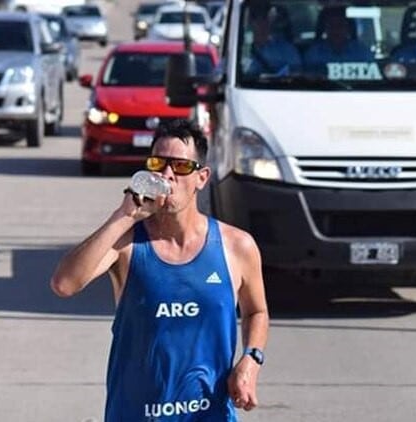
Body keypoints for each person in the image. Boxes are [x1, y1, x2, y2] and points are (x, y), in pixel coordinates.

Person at [50, 118, 270, 421]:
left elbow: (256, 311)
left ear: (202, 178)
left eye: (180, 166)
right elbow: (64, 284)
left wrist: (251, 359)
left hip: (209, 414)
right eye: (158, 164)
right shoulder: (127, 244)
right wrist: (123, 216)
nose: (167, 175)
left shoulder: (236, 246)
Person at [303, 6, 373, 70]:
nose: (335, 30)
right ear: (324, 28)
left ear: (348, 27)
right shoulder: (313, 54)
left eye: (340, 25)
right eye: (331, 25)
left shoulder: (363, 53)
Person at [244, 1, 302, 76]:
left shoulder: (286, 50)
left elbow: (298, 75)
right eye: (255, 17)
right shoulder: (239, 49)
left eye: (265, 16)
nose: (261, 22)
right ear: (249, 22)